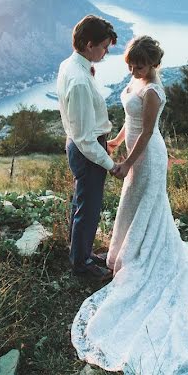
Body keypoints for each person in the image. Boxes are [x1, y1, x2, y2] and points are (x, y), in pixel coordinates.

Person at [72, 35, 188, 375]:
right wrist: (116, 141)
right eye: (130, 65)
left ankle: (146, 256)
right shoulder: (137, 80)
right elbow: (130, 121)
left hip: (148, 158)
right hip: (134, 149)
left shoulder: (153, 91)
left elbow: (148, 133)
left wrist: (126, 163)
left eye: (138, 66)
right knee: (133, 205)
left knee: (147, 205)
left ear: (152, 64)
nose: (133, 70)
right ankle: (131, 253)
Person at [57, 15, 125, 281]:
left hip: (81, 143)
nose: (106, 52)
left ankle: (81, 253)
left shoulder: (72, 65)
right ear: (88, 44)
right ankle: (82, 266)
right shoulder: (81, 81)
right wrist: (111, 164)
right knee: (89, 207)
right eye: (104, 46)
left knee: (82, 203)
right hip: (86, 151)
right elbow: (85, 139)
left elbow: (82, 126)